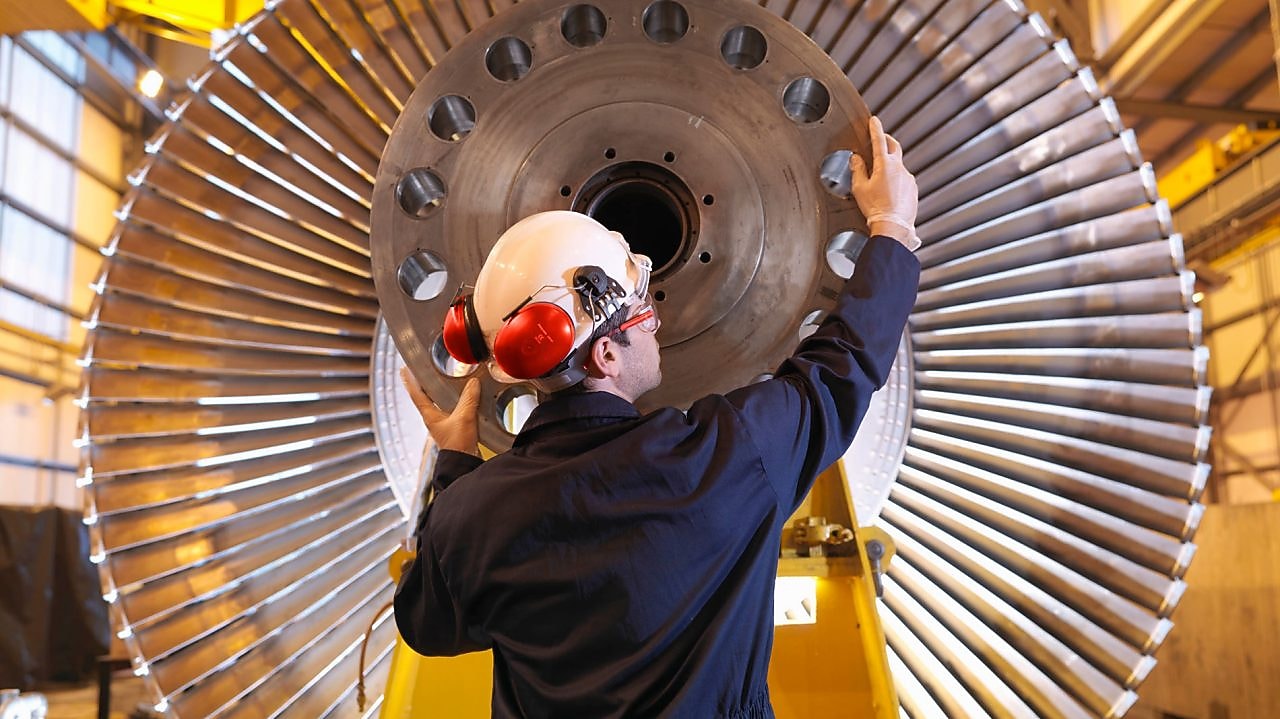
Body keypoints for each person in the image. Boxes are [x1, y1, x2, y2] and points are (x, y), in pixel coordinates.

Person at [394, 116, 921, 718]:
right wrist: (891, 225)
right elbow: (841, 367)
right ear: (606, 353)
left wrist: (457, 467)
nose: (658, 318)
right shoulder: (725, 459)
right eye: (642, 304)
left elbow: (427, 626)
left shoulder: (470, 518)